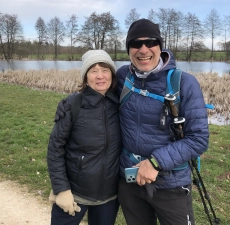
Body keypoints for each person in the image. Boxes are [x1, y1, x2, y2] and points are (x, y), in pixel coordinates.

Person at [117, 18, 210, 225]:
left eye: (150, 42)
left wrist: (155, 163)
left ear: (160, 46)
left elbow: (198, 139)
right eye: (135, 43)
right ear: (128, 49)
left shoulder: (184, 82)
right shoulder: (123, 77)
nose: (143, 49)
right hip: (130, 181)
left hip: (171, 184)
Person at [47, 49, 121, 225]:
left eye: (104, 70)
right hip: (75, 194)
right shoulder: (73, 105)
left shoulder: (120, 104)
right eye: (93, 71)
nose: (100, 76)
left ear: (112, 74)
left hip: (109, 197)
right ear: (85, 77)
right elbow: (55, 149)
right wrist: (61, 189)